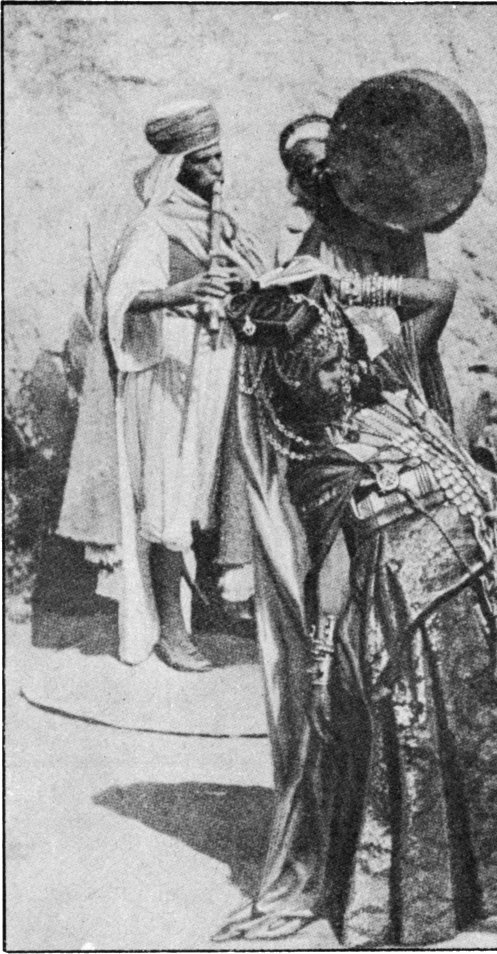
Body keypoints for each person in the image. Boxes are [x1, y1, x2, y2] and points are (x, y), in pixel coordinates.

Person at [214, 262, 497, 948]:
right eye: (324, 369)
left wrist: (355, 293)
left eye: (343, 358)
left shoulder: (393, 385)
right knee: (447, 765)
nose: (343, 375)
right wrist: (321, 661)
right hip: (415, 628)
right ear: (292, 381)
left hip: (492, 601)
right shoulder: (315, 458)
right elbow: (334, 562)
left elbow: (440, 295)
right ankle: (428, 905)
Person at [97, 101, 263, 670]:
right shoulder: (154, 225)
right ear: (179, 168)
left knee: (202, 496)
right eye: (204, 162)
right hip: (166, 372)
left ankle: (210, 613)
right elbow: (123, 299)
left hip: (213, 370)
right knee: (168, 500)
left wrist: (246, 283)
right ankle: (170, 630)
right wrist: (185, 291)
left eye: (219, 158)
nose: (218, 170)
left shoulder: (225, 224)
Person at [274, 114, 455, 427]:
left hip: (391, 340)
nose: (319, 174)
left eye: (325, 163)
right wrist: (323, 217)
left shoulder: (385, 214)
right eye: (306, 168)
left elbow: (425, 292)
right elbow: (296, 287)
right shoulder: (299, 223)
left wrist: (355, 291)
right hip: (334, 353)